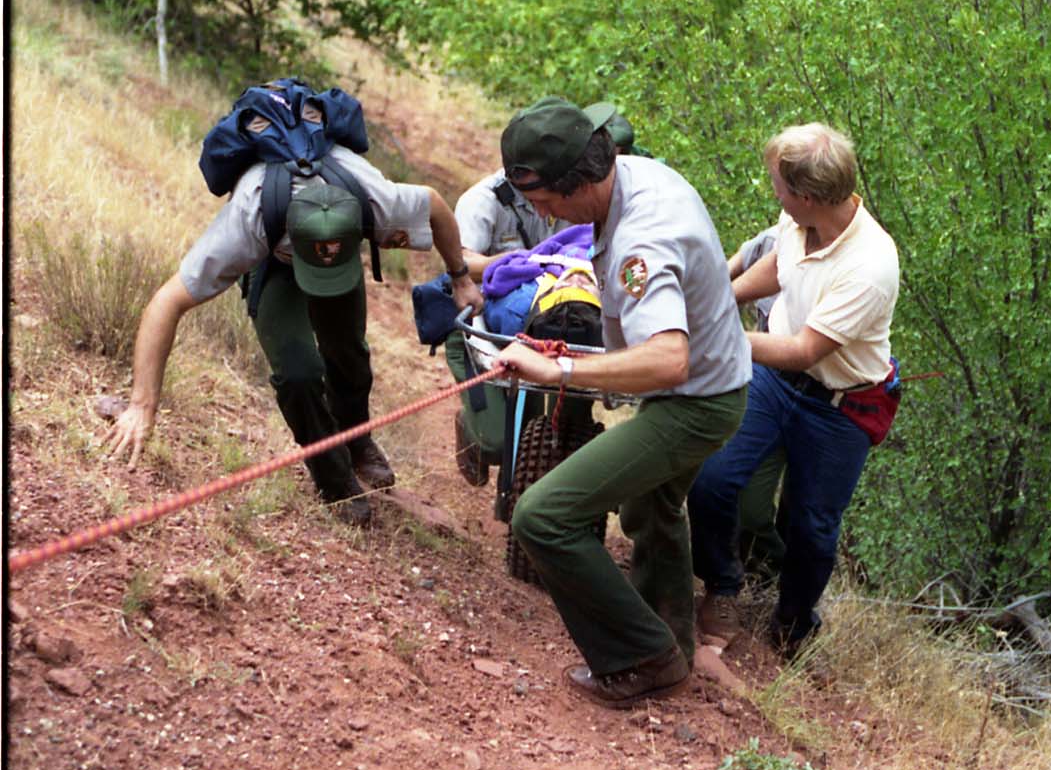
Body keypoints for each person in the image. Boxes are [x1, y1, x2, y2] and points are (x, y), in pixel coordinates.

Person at [495, 96, 751, 710]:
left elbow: (667, 358)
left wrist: (558, 369)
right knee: (651, 503)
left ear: (582, 179)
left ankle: (643, 656)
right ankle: (673, 647)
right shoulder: (633, 173)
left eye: (549, 203)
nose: (545, 216)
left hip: (695, 401)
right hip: (712, 385)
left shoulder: (642, 238)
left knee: (542, 516)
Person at [105, 151, 483, 526]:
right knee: (297, 373)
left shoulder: (373, 199)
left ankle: (355, 438)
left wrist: (461, 279)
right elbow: (166, 303)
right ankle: (334, 480)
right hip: (274, 260)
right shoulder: (249, 219)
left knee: (350, 356)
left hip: (340, 252)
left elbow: (434, 205)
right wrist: (142, 405)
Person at [688, 123, 899, 656]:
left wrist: (719, 335)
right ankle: (722, 588)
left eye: (779, 186)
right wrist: (719, 300)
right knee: (712, 477)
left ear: (806, 196)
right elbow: (779, 265)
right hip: (773, 379)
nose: (774, 193)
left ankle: (791, 625)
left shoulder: (871, 265)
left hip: (839, 404)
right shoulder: (800, 217)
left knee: (812, 531)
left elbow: (806, 350)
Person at [446, 101, 617, 484]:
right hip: (500, 314)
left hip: (555, 311)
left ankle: (552, 482)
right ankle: (481, 441)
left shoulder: (571, 195)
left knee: (563, 412)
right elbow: (458, 261)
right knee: (500, 438)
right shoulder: (483, 200)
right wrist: (526, 261)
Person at [725, 223, 788, 583]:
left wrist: (724, 338)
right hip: (765, 385)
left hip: (827, 398)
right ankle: (766, 575)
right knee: (750, 505)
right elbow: (724, 275)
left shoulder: (853, 254)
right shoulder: (771, 239)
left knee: (807, 520)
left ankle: (788, 601)